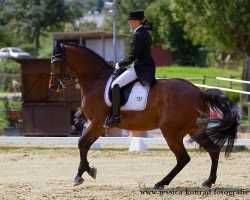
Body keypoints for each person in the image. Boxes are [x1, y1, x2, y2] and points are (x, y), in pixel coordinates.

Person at [103, 10, 156, 128]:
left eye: (130, 21)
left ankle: (115, 116)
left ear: (136, 21)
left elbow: (133, 56)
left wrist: (119, 64)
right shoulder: (145, 33)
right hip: (145, 66)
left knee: (115, 85)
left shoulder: (139, 35)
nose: (129, 23)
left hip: (139, 68)